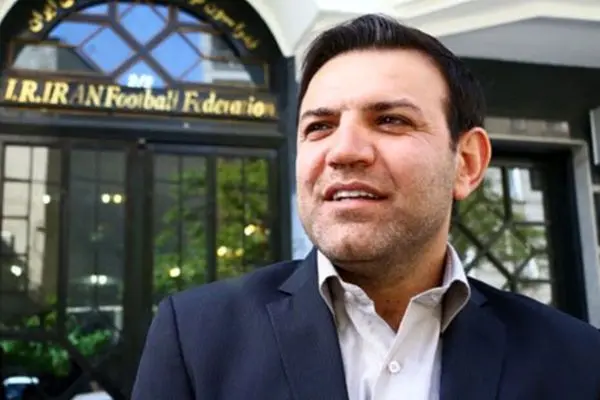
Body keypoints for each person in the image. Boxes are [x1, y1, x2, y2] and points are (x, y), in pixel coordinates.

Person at [131, 13, 600, 400]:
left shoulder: (576, 360)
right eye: (319, 127)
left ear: (467, 163)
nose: (344, 151)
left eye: (391, 120)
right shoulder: (196, 338)